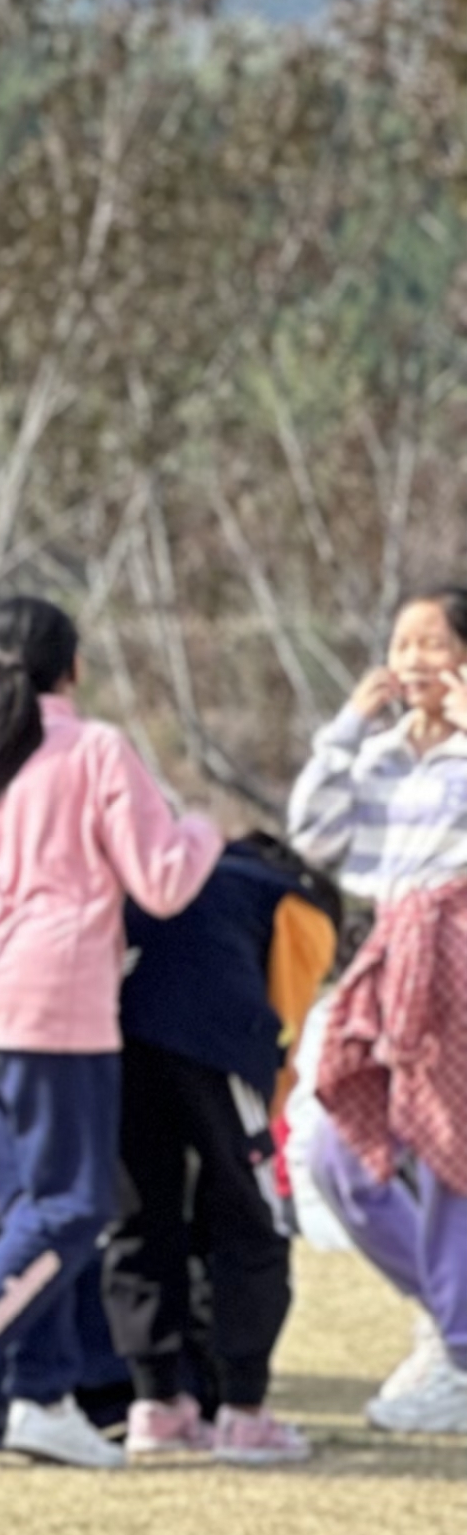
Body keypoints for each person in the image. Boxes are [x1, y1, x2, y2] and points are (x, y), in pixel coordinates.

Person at [0, 597, 222, 1471]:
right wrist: (204, 826)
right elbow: (164, 878)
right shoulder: (96, 751)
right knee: (72, 1211)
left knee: (27, 1210)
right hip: (61, 1010)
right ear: (72, 671)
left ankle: (43, 1395)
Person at [285, 584, 467, 1435]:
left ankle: (459, 1360)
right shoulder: (381, 753)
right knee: (335, 1154)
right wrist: (345, 730)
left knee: (451, 1164)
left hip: (460, 961)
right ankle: (447, 1322)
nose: (415, 661)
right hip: (387, 961)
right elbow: (314, 837)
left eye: (434, 643)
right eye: (403, 645)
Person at [104, 831, 334, 1462]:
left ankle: (156, 1404)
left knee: (139, 1214)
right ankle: (244, 1410)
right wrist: (268, 1112)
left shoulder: (173, 866)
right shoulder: (294, 901)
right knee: (251, 1216)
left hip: (119, 1034)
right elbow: (283, 1020)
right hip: (220, 1040)